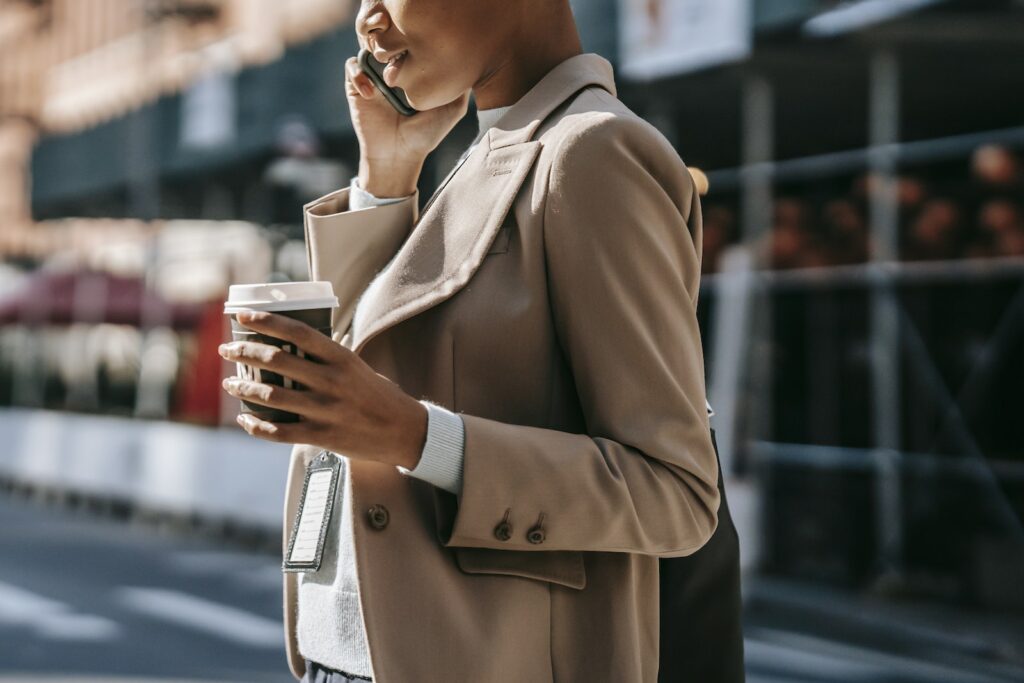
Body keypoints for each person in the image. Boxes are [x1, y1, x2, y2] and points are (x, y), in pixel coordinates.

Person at [218, 0, 743, 680]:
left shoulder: (593, 151)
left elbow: (676, 490)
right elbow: (375, 359)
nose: (366, 20)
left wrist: (415, 434)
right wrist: (387, 177)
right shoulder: (487, 152)